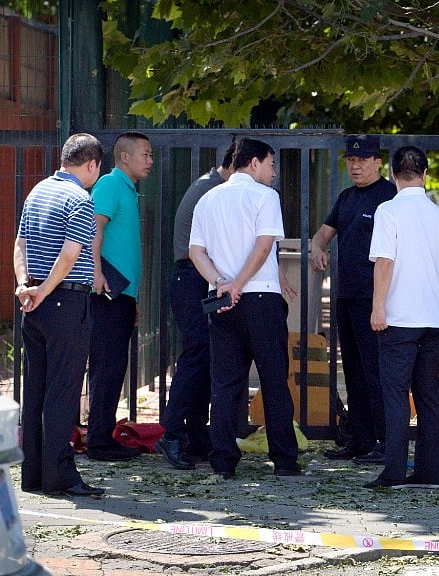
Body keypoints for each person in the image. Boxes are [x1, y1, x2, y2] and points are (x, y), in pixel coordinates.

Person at [189, 137, 302, 479]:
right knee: (273, 380)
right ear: (254, 163)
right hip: (260, 298)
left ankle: (223, 460)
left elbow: (196, 252)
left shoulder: (207, 198)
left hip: (222, 301)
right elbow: (264, 246)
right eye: (270, 165)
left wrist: (222, 282)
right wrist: (238, 283)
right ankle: (284, 460)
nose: (273, 173)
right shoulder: (265, 197)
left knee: (225, 384)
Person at [13, 133, 105, 497]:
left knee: (34, 391)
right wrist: (45, 290)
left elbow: (19, 243)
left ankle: (33, 476)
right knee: (63, 392)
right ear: (92, 164)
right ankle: (60, 477)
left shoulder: (37, 191)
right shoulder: (80, 198)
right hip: (65, 302)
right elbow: (70, 255)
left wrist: (25, 286)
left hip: (32, 303)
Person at [364, 145, 439, 489]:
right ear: (425, 174)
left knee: (396, 394)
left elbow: (384, 262)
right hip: (432, 318)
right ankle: (430, 473)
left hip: (399, 318)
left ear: (392, 173)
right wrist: (437, 299)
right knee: (429, 397)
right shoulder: (438, 216)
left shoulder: (388, 210)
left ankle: (394, 471)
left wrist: (378, 306)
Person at [311, 135, 396, 465]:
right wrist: (318, 248)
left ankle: (387, 441)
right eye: (350, 160)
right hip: (345, 296)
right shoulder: (346, 198)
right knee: (355, 371)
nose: (356, 165)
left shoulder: (390, 196)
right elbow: (323, 233)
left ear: (378, 162)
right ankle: (361, 439)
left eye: (363, 160)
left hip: (375, 298)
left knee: (378, 371)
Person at [156, 141, 236, 470]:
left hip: (194, 279)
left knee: (204, 354)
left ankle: (195, 435)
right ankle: (172, 433)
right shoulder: (212, 190)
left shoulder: (210, 186)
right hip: (191, 279)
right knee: (198, 352)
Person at [85, 131, 152, 462]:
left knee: (113, 366)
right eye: (145, 154)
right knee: (107, 366)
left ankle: (102, 436)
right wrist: (96, 272)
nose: (150, 160)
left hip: (120, 294)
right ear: (124, 157)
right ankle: (98, 441)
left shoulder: (127, 190)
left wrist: (131, 297)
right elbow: (93, 227)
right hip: (106, 293)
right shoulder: (111, 185)